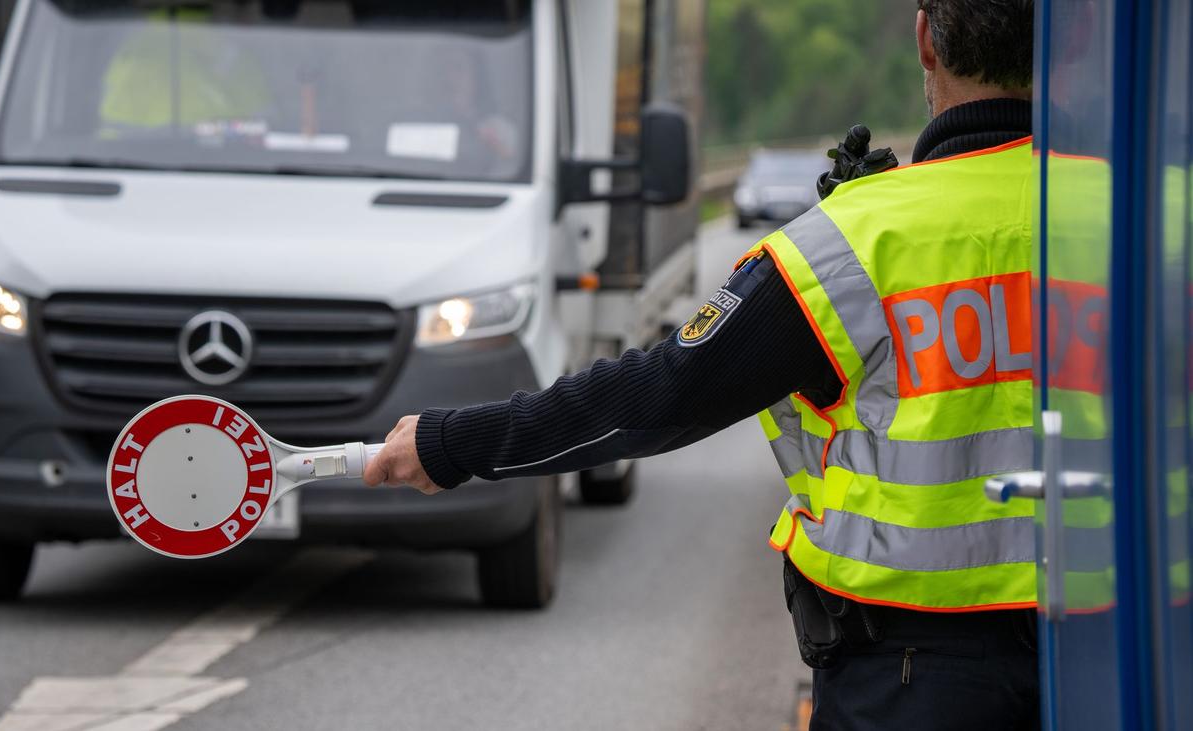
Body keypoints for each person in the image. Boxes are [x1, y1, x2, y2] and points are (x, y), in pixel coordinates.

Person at [364, 1, 1040, 728]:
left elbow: (657, 395)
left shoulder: (846, 246)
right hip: (1110, 648)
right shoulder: (1128, 209)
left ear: (925, 38)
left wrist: (452, 442)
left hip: (907, 680)